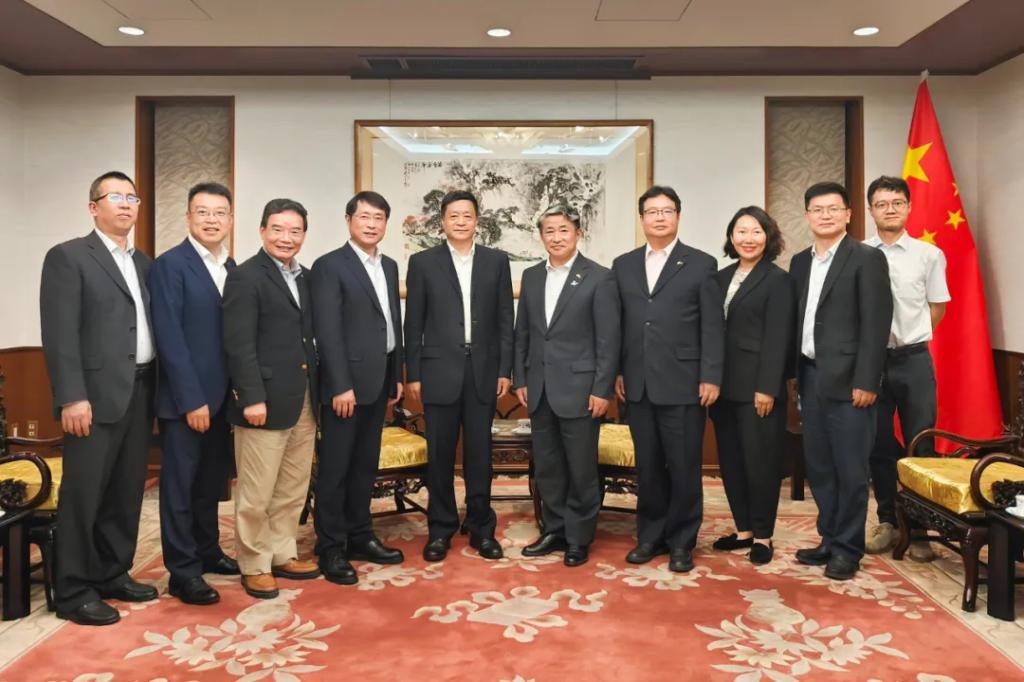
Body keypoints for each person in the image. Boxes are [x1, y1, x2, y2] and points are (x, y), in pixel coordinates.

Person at [40, 170, 158, 625]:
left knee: (126, 492)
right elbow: (60, 333)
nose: (126, 204)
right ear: (94, 207)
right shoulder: (69, 257)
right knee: (83, 496)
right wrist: (72, 396)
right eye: (116, 197)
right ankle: (73, 591)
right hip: (91, 396)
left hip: (141, 390)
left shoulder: (144, 263)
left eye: (132, 197)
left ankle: (112, 573)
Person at [612, 185, 724, 573]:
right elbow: (620, 324)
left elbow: (713, 325)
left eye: (667, 211)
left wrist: (710, 375)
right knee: (648, 466)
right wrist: (619, 370)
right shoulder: (624, 264)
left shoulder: (701, 263)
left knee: (683, 466)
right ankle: (650, 536)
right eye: (652, 211)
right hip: (638, 383)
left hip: (685, 382)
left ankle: (681, 542)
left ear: (678, 216)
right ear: (642, 218)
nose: (659, 217)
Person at [790, 181, 893, 581]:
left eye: (834, 208)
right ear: (807, 216)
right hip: (811, 376)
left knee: (850, 469)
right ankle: (829, 538)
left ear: (849, 214)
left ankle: (848, 549)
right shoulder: (800, 262)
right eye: (817, 209)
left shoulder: (866, 258)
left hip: (852, 382)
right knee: (820, 466)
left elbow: (876, 324)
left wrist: (868, 380)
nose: (826, 215)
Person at [404, 190, 514, 562]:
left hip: (484, 370)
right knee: (440, 455)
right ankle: (440, 529)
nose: (461, 221)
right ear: (443, 222)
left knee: (479, 455)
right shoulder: (423, 263)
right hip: (437, 371)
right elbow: (413, 323)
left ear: (477, 220)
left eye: (467, 215)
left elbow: (505, 320)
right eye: (454, 216)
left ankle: (482, 528)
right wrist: (414, 373)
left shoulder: (496, 261)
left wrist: (504, 369)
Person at [223, 198, 320, 599]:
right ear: (262, 230)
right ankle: (254, 563)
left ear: (304, 235)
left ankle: (282, 552)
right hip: (262, 399)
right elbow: (238, 343)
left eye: (295, 231)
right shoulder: (245, 277)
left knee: (292, 486)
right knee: (256, 491)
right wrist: (250, 396)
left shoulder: (307, 278)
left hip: (304, 397)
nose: (286, 238)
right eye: (278, 229)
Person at [513, 205, 620, 567]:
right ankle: (554, 529)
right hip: (539, 388)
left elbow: (608, 340)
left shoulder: (599, 277)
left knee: (581, 468)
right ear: (541, 236)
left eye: (563, 230)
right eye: (549, 231)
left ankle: (578, 537)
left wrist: (602, 389)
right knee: (548, 467)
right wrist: (520, 378)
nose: (556, 237)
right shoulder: (531, 276)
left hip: (581, 390)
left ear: (578, 234)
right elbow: (523, 333)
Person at [150, 182, 240, 606]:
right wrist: (191, 399)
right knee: (180, 488)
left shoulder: (232, 267)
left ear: (231, 219)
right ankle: (182, 571)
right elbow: (169, 337)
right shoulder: (170, 265)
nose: (211, 220)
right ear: (188, 217)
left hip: (224, 399)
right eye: (202, 212)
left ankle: (208, 551)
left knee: (209, 483)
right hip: (188, 401)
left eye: (220, 213)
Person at [310, 191, 405, 585]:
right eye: (364, 216)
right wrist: (339, 385)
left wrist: (396, 373)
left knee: (365, 465)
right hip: (345, 388)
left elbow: (392, 323)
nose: (371, 224)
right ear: (348, 220)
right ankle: (331, 547)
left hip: (379, 380)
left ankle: (360, 535)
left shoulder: (390, 266)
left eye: (378, 218)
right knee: (335, 468)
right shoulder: (329, 266)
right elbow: (327, 330)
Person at [863, 175, 950, 560]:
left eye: (897, 202)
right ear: (871, 210)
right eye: (882, 204)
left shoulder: (929, 254)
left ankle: (919, 528)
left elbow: (937, 306)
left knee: (921, 443)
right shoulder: (860, 253)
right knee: (878, 442)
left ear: (909, 207)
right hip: (872, 361)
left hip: (913, 360)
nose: (890, 210)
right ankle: (888, 521)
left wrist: (911, 336)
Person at [709, 206, 794, 565]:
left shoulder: (778, 280)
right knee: (731, 462)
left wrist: (768, 387)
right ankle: (743, 530)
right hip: (722, 387)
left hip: (758, 388)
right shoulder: (719, 277)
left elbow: (778, 337)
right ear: (731, 237)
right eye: (741, 231)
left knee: (760, 463)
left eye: (756, 231)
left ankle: (763, 536)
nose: (748, 238)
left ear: (767, 237)